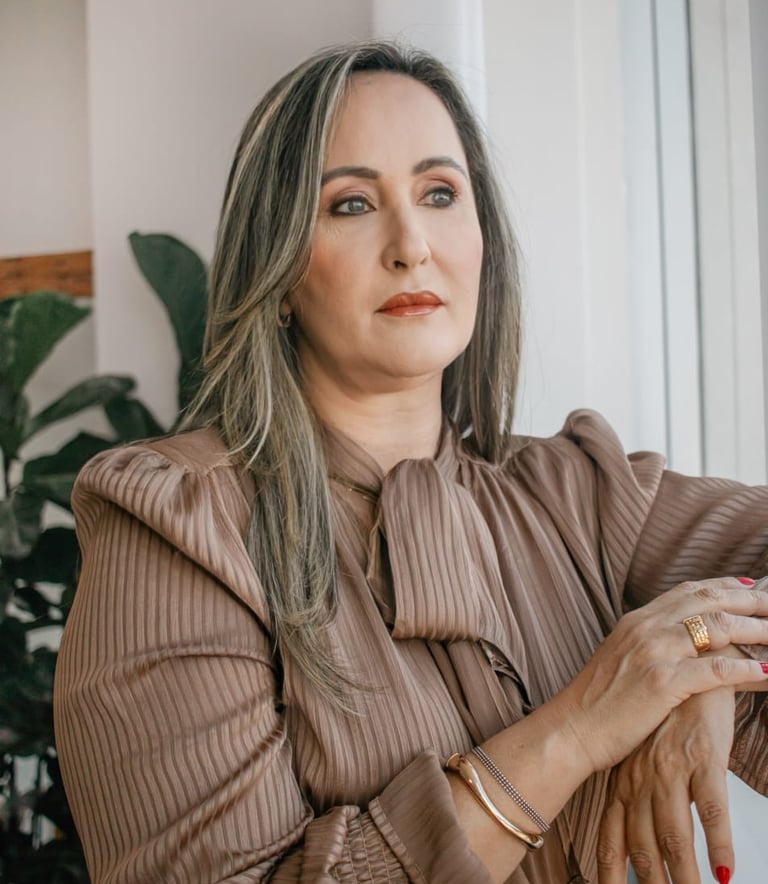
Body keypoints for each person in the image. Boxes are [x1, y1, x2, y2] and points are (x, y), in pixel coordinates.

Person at [53, 41, 768, 884]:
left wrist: (707, 669)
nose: (411, 245)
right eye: (352, 204)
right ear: (276, 269)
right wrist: (577, 731)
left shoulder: (587, 492)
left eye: (439, 194)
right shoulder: (177, 526)